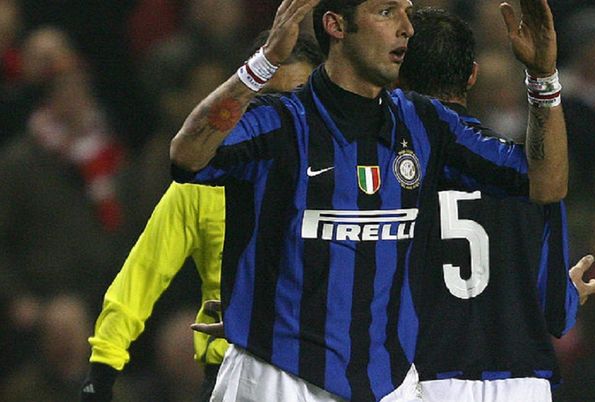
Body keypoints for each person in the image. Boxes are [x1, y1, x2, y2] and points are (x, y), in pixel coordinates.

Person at [169, 0, 568, 400]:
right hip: (278, 376)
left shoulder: (423, 123)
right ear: (336, 25)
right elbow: (187, 155)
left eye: (406, 12)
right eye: (386, 12)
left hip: (388, 384)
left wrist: (542, 78)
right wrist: (264, 63)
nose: (407, 27)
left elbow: (546, 183)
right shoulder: (282, 122)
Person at [79, 33, 324, 402]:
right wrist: (103, 366)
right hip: (233, 370)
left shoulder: (349, 181)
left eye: (296, 98)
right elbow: (142, 273)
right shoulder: (203, 184)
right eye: (270, 99)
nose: (283, 113)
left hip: (323, 371)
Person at [398, 7, 595, 401]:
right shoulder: (532, 174)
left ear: (396, 76)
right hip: (523, 381)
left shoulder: (392, 168)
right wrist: (571, 294)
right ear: (472, 75)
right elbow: (556, 314)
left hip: (423, 375)